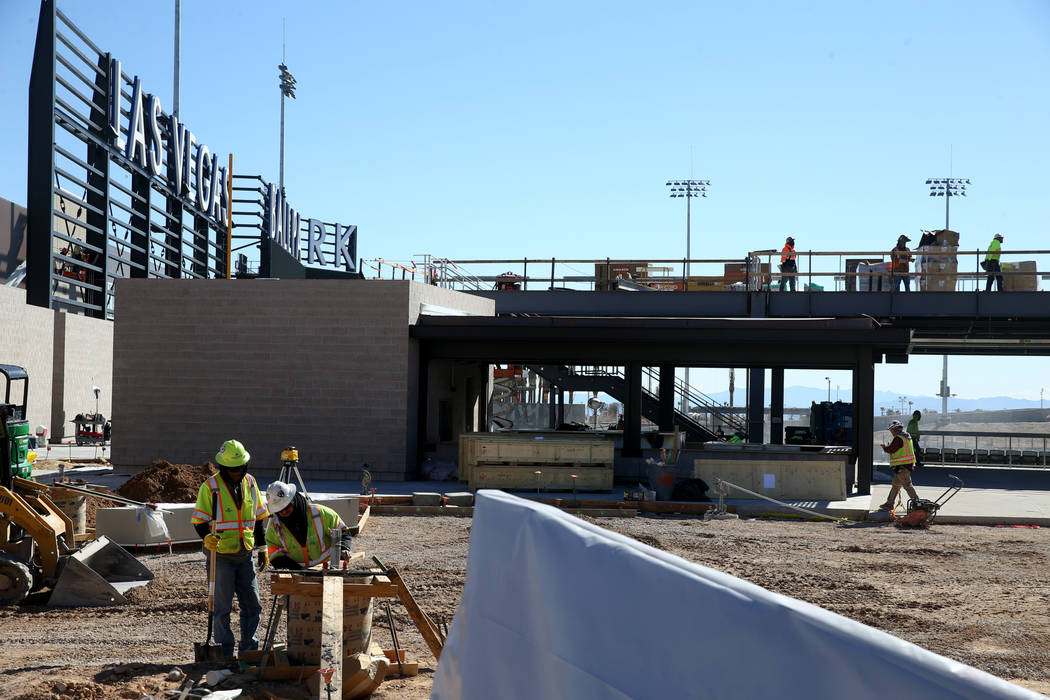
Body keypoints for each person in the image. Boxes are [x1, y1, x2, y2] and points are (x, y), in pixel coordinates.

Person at [191, 439, 269, 659]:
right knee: (222, 609)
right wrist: (206, 537)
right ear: (223, 468)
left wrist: (262, 548)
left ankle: (249, 653)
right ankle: (224, 653)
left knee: (253, 606)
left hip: (245, 554)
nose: (236, 473)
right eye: (232, 469)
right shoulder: (210, 487)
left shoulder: (251, 483)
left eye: (239, 469)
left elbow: (259, 518)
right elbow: (199, 520)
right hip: (221, 555)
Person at [264, 481, 352, 569]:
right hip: (297, 572)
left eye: (287, 507)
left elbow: (343, 531)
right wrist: (297, 570)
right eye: (280, 510)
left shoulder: (320, 514)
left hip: (326, 568)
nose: (284, 511)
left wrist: (344, 548)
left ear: (294, 500)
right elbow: (274, 554)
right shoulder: (275, 527)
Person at [877, 420, 919, 511]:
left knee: (907, 486)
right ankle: (889, 504)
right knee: (896, 485)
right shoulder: (906, 436)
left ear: (896, 429)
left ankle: (917, 504)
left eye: (891, 430)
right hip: (904, 466)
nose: (891, 432)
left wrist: (885, 447)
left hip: (902, 467)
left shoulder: (899, 438)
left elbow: (892, 449)